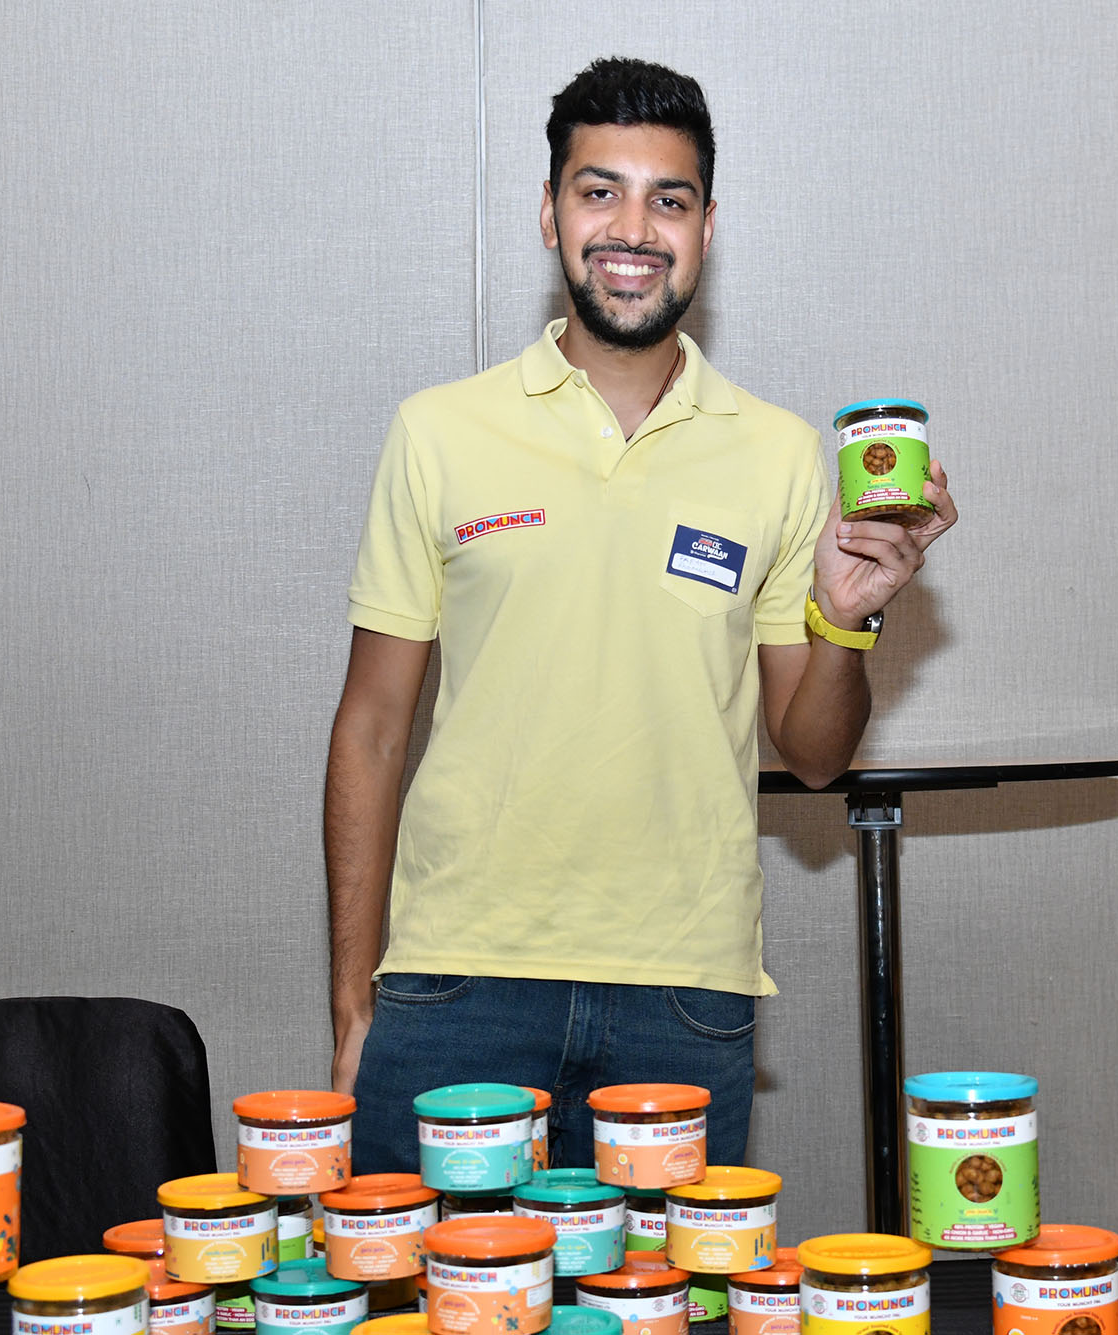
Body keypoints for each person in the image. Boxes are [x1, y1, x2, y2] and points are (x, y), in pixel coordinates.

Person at [325, 56, 956, 1171]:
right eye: (597, 189)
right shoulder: (437, 432)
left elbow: (811, 756)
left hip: (683, 994)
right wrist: (351, 1003)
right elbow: (371, 730)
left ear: (706, 228)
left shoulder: (772, 453)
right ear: (549, 213)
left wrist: (849, 622)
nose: (632, 227)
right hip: (458, 980)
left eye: (667, 199)